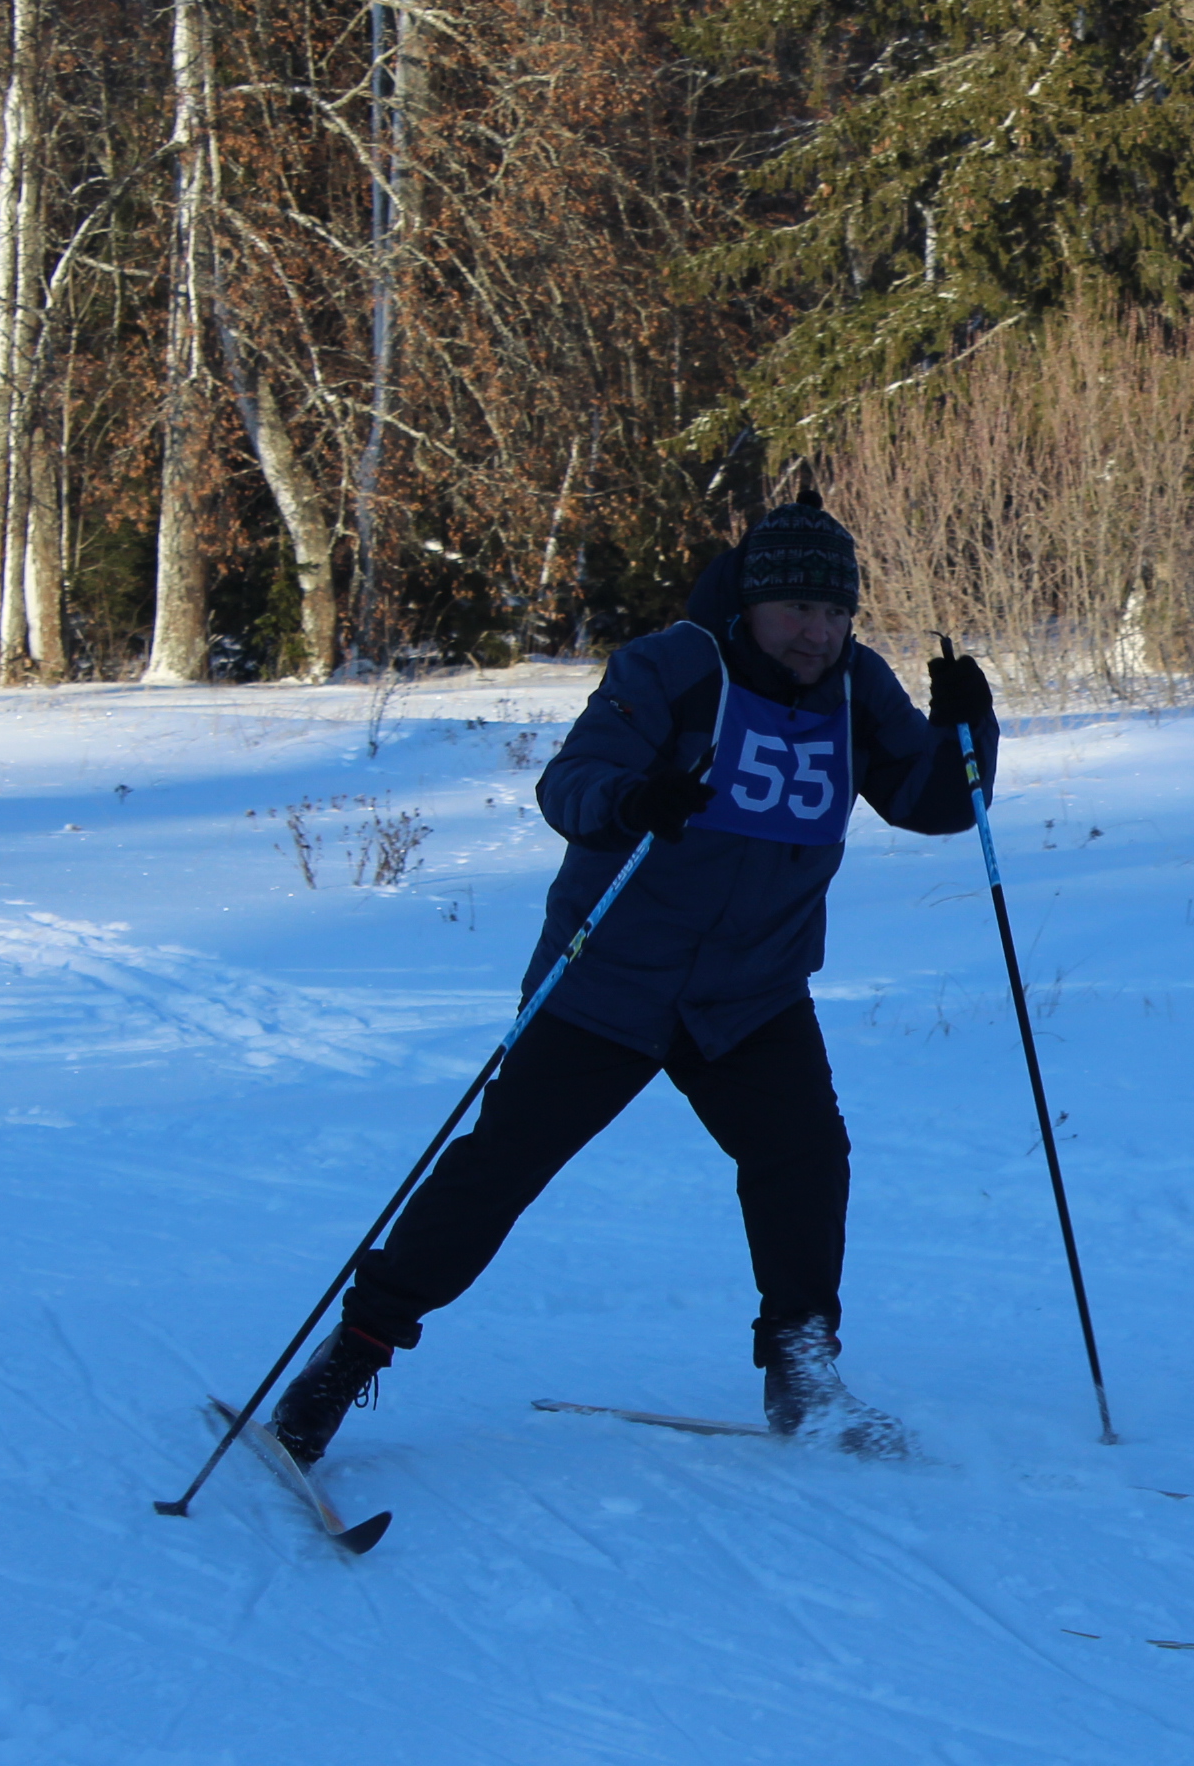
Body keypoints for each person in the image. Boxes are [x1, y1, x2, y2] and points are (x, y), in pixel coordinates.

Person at [267, 490, 996, 1465]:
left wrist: (969, 731)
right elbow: (569, 784)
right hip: (611, 977)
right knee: (499, 1169)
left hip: (751, 992)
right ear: (753, 603)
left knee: (805, 1158)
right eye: (799, 611)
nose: (817, 633)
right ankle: (353, 1352)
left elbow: (936, 804)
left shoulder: (857, 689)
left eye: (835, 613)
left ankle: (803, 1369)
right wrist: (635, 797)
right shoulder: (675, 667)